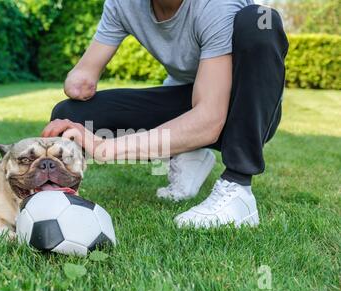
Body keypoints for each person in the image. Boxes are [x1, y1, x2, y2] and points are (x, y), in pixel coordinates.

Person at [42, 0, 289, 228]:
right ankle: (188, 152)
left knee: (261, 19)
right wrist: (77, 84)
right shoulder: (123, 3)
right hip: (189, 102)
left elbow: (209, 120)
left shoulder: (216, 4)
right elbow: (80, 81)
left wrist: (105, 148)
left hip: (243, 109)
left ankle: (238, 187)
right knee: (68, 116)